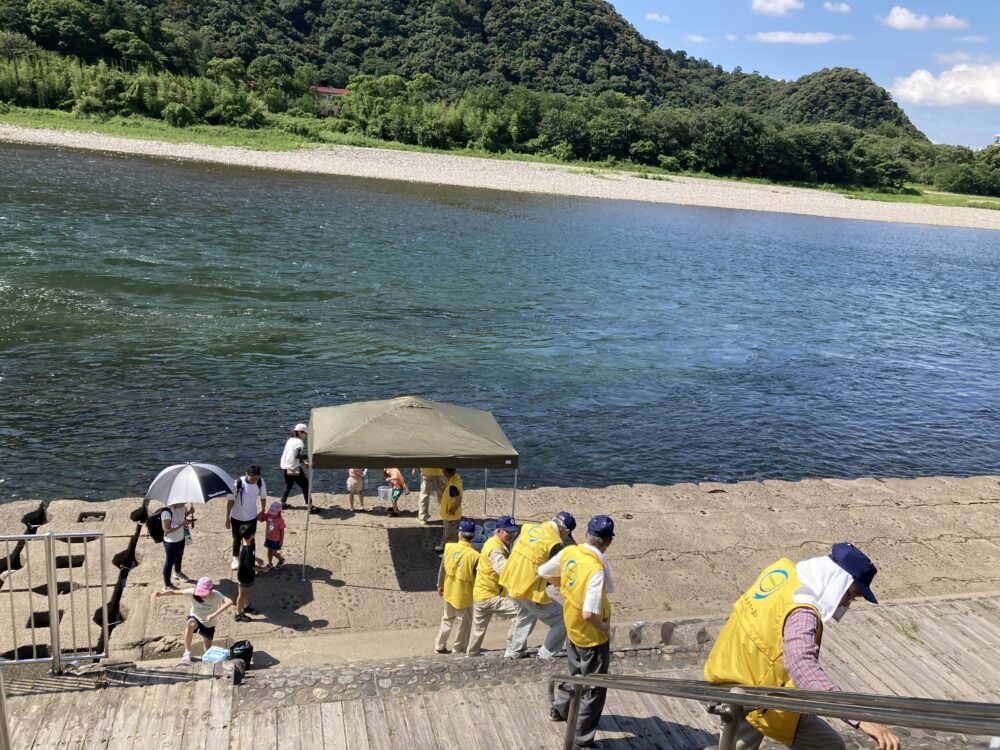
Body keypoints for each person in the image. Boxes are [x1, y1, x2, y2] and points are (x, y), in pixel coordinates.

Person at [704, 542, 901, 750]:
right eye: (850, 594)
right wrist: (859, 718)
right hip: (754, 697)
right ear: (837, 582)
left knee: (829, 746)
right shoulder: (803, 609)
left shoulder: (783, 571)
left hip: (735, 674)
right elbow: (800, 664)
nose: (846, 604)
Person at [544, 515, 616, 749]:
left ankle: (559, 710)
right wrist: (605, 629)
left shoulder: (570, 552)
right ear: (609, 541)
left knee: (574, 675)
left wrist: (562, 584)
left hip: (572, 627)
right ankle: (581, 740)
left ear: (586, 534)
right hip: (592, 637)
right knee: (594, 689)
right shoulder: (595, 569)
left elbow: (543, 571)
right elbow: (589, 613)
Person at [499, 511, 575, 660]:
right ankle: (546, 654)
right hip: (529, 588)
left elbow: (514, 548)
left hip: (512, 580)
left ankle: (515, 651)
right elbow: (554, 570)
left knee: (525, 615)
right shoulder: (554, 542)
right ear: (566, 531)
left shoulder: (529, 528)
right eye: (566, 534)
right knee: (563, 619)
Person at [466, 514, 520, 657]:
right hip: (490, 596)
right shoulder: (495, 549)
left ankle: (471, 654)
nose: (512, 535)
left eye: (514, 531)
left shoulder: (495, 543)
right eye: (508, 532)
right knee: (519, 613)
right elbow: (504, 570)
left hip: (481, 593)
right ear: (498, 531)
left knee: (478, 628)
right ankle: (511, 649)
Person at [152, 576, 233, 665]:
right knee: (190, 624)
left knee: (207, 649)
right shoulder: (192, 592)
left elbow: (229, 602)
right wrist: (161, 594)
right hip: (195, 618)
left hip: (208, 623)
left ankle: (206, 659)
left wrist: (214, 614)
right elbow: (174, 592)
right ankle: (187, 653)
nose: (202, 595)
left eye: (204, 593)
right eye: (200, 592)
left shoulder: (216, 595)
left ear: (211, 589)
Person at [435, 519, 479, 655]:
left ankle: (439, 645)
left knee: (447, 619)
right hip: (464, 596)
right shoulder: (475, 556)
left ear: (460, 534)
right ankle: (458, 648)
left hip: (449, 590)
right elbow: (478, 578)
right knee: (463, 624)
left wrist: (439, 585)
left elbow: (442, 569)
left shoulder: (449, 548)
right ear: (473, 537)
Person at [226, 464, 268, 571]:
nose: (254, 480)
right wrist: (227, 518)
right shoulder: (238, 484)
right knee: (237, 539)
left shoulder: (260, 482)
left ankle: (251, 559)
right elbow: (230, 501)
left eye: (257, 477)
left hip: (251, 517)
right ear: (247, 474)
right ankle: (235, 558)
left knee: (251, 540)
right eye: (252, 477)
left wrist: (263, 511)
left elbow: (263, 497)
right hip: (236, 517)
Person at [235, 525, 271, 622]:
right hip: (244, 575)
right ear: (252, 535)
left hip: (247, 575)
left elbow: (249, 558)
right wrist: (262, 570)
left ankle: (247, 607)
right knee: (242, 594)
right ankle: (238, 613)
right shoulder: (248, 549)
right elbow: (250, 566)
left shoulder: (245, 543)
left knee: (248, 590)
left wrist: (257, 559)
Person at [160, 501, 194, 591]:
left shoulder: (182, 507)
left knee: (179, 556)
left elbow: (182, 516)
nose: (184, 503)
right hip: (170, 542)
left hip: (181, 537)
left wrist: (189, 512)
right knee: (169, 562)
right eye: (182, 501)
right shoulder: (166, 512)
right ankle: (167, 585)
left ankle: (177, 573)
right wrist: (182, 524)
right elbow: (167, 529)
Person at [279, 423, 310, 509]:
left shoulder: (290, 440)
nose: (306, 435)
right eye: (305, 433)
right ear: (300, 432)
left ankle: (282, 503)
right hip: (292, 467)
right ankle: (310, 506)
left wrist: (303, 462)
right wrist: (308, 457)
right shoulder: (299, 442)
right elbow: (297, 455)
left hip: (285, 466)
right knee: (305, 485)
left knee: (288, 485)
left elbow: (292, 455)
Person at [435, 468, 463, 554]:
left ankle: (448, 554)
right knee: (446, 532)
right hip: (447, 515)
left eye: (443, 469)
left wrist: (453, 509)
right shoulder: (454, 477)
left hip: (451, 516)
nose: (442, 470)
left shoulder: (452, 486)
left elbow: (458, 499)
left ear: (446, 472)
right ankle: (443, 546)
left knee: (450, 536)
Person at [263, 500, 286, 567]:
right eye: (271, 511)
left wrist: (281, 540)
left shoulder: (280, 521)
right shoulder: (268, 516)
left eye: (274, 512)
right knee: (269, 551)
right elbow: (261, 518)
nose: (272, 513)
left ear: (279, 512)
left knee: (274, 552)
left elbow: (282, 531)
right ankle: (270, 563)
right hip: (268, 537)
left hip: (276, 539)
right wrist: (261, 513)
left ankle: (281, 559)